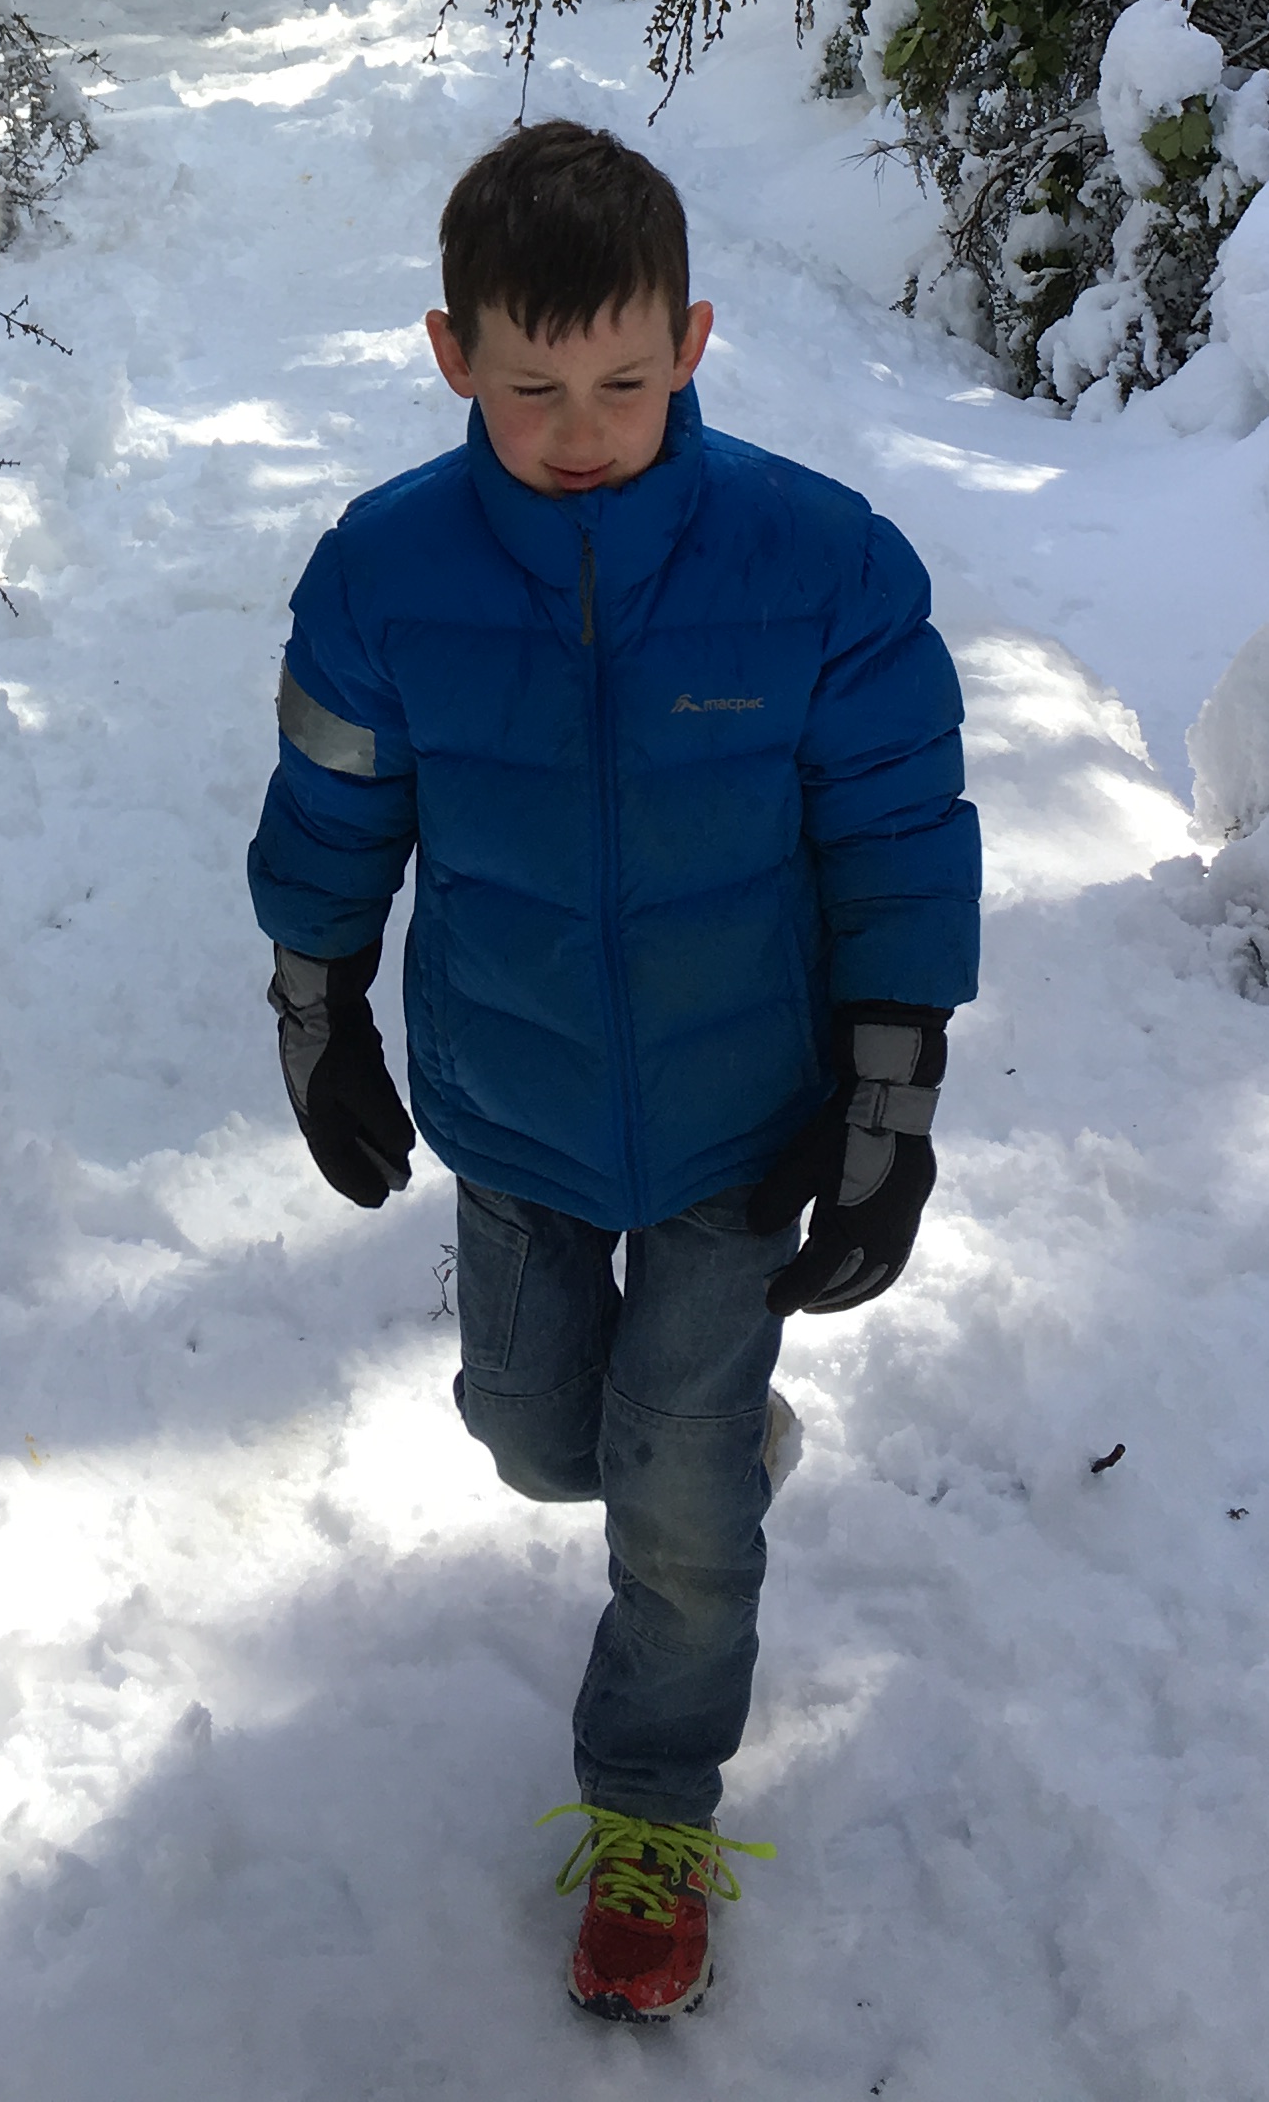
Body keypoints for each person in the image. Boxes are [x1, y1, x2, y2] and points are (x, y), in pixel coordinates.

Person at [246, 118, 981, 2025]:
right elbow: (335, 804)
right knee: (536, 1439)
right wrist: (318, 1004)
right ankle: (701, 1447)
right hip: (516, 1108)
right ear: (451, 356)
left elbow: (899, 833)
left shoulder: (821, 567)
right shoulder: (387, 574)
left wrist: (889, 1095)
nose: (582, 431)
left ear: (695, 342)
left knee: (674, 1503)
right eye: (532, 387)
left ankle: (652, 1814)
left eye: (627, 383)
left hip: (751, 1123)